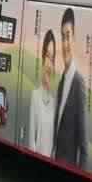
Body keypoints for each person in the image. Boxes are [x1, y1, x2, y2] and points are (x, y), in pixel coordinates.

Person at [52, 8, 87, 167]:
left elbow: (83, 146)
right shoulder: (62, 81)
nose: (65, 44)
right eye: (62, 37)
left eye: (68, 36)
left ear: (74, 40)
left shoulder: (78, 83)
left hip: (68, 166)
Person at [28, 29, 60, 157]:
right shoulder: (35, 95)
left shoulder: (55, 101)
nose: (49, 64)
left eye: (52, 59)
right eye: (47, 56)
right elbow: (31, 142)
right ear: (42, 58)